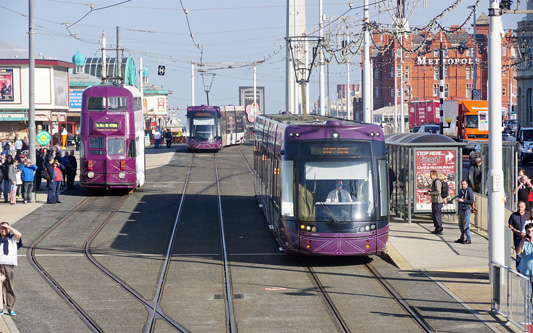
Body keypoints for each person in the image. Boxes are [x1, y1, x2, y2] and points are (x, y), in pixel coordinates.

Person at [0, 222, 21, 316]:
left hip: (9, 265)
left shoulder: (12, 238)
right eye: (2, 228)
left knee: (9, 287)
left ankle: (11, 308)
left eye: (5, 228)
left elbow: (18, 234)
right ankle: (1, 308)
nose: (3, 230)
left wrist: (8, 226)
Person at [451, 180, 475, 244]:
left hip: (466, 209)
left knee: (466, 224)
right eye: (462, 184)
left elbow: (471, 201)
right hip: (461, 209)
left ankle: (468, 239)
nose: (463, 185)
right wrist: (458, 200)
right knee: (461, 224)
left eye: (464, 184)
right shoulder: (461, 190)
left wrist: (463, 201)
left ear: (467, 184)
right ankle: (462, 237)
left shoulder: (469, 191)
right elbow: (460, 197)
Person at [509, 201, 530, 269]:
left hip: (527, 237)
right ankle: (519, 269)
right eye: (519, 207)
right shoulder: (513, 215)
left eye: (521, 207)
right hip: (517, 237)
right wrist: (515, 231)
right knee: (519, 254)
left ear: (525, 207)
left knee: (526, 253)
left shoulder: (528, 215)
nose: (520, 208)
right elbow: (510, 225)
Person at [424, 170, 444, 235]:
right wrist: (431, 191)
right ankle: (437, 228)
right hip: (434, 200)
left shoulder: (437, 182)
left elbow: (438, 192)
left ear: (434, 175)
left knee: (437, 215)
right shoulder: (434, 182)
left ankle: (440, 229)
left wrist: (431, 193)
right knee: (435, 215)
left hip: (437, 201)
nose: (430, 176)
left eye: (431, 175)